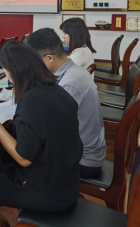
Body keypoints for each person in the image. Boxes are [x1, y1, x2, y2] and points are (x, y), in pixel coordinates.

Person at [0, 42, 82, 227]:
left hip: (47, 192)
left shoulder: (30, 100)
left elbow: (24, 158)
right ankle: (16, 222)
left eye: (5, 70)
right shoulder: (58, 90)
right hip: (67, 181)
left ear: (13, 71)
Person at [26, 28, 106, 177]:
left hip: (83, 160)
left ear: (49, 58)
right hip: (83, 149)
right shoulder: (72, 71)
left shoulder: (70, 83)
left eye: (35, 61)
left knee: (23, 156)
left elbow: (49, 127)